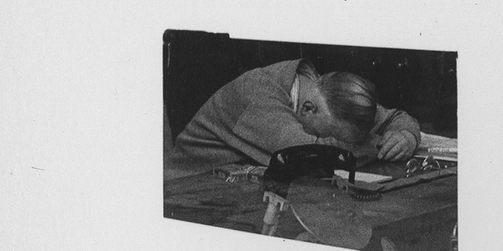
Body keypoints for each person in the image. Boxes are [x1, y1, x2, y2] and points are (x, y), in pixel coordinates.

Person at [165, 59, 421, 178]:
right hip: (184, 197)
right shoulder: (256, 96)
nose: (336, 142)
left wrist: (405, 136)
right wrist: (375, 145)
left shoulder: (325, 94)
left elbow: (395, 117)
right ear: (308, 109)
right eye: (331, 137)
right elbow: (313, 156)